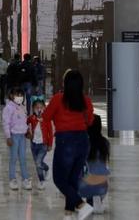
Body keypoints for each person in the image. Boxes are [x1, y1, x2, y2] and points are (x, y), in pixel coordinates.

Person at [43, 70, 95, 220]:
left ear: (65, 83)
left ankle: (80, 204)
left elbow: (46, 116)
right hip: (83, 141)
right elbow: (90, 121)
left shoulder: (58, 99)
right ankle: (69, 212)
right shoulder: (86, 101)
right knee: (72, 178)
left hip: (66, 141)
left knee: (59, 179)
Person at [78, 114, 110, 214]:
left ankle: (90, 202)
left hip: (86, 185)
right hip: (103, 185)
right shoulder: (105, 143)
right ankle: (98, 199)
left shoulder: (83, 142)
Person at [2, 87, 32, 190]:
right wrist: (8, 137)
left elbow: (25, 120)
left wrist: (27, 130)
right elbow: (6, 123)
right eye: (17, 95)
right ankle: (12, 179)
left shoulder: (23, 107)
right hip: (14, 136)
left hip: (22, 136)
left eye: (21, 95)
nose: (19, 97)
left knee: (23, 158)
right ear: (11, 96)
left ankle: (25, 179)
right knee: (13, 158)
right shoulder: (9, 108)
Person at [27, 96, 50, 190]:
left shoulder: (47, 119)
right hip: (33, 144)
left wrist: (50, 144)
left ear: (44, 108)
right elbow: (25, 125)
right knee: (38, 164)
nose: (39, 109)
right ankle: (46, 168)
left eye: (41, 107)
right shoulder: (31, 118)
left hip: (43, 145)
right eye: (37, 107)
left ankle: (42, 181)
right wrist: (27, 133)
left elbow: (50, 133)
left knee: (38, 162)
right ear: (33, 109)